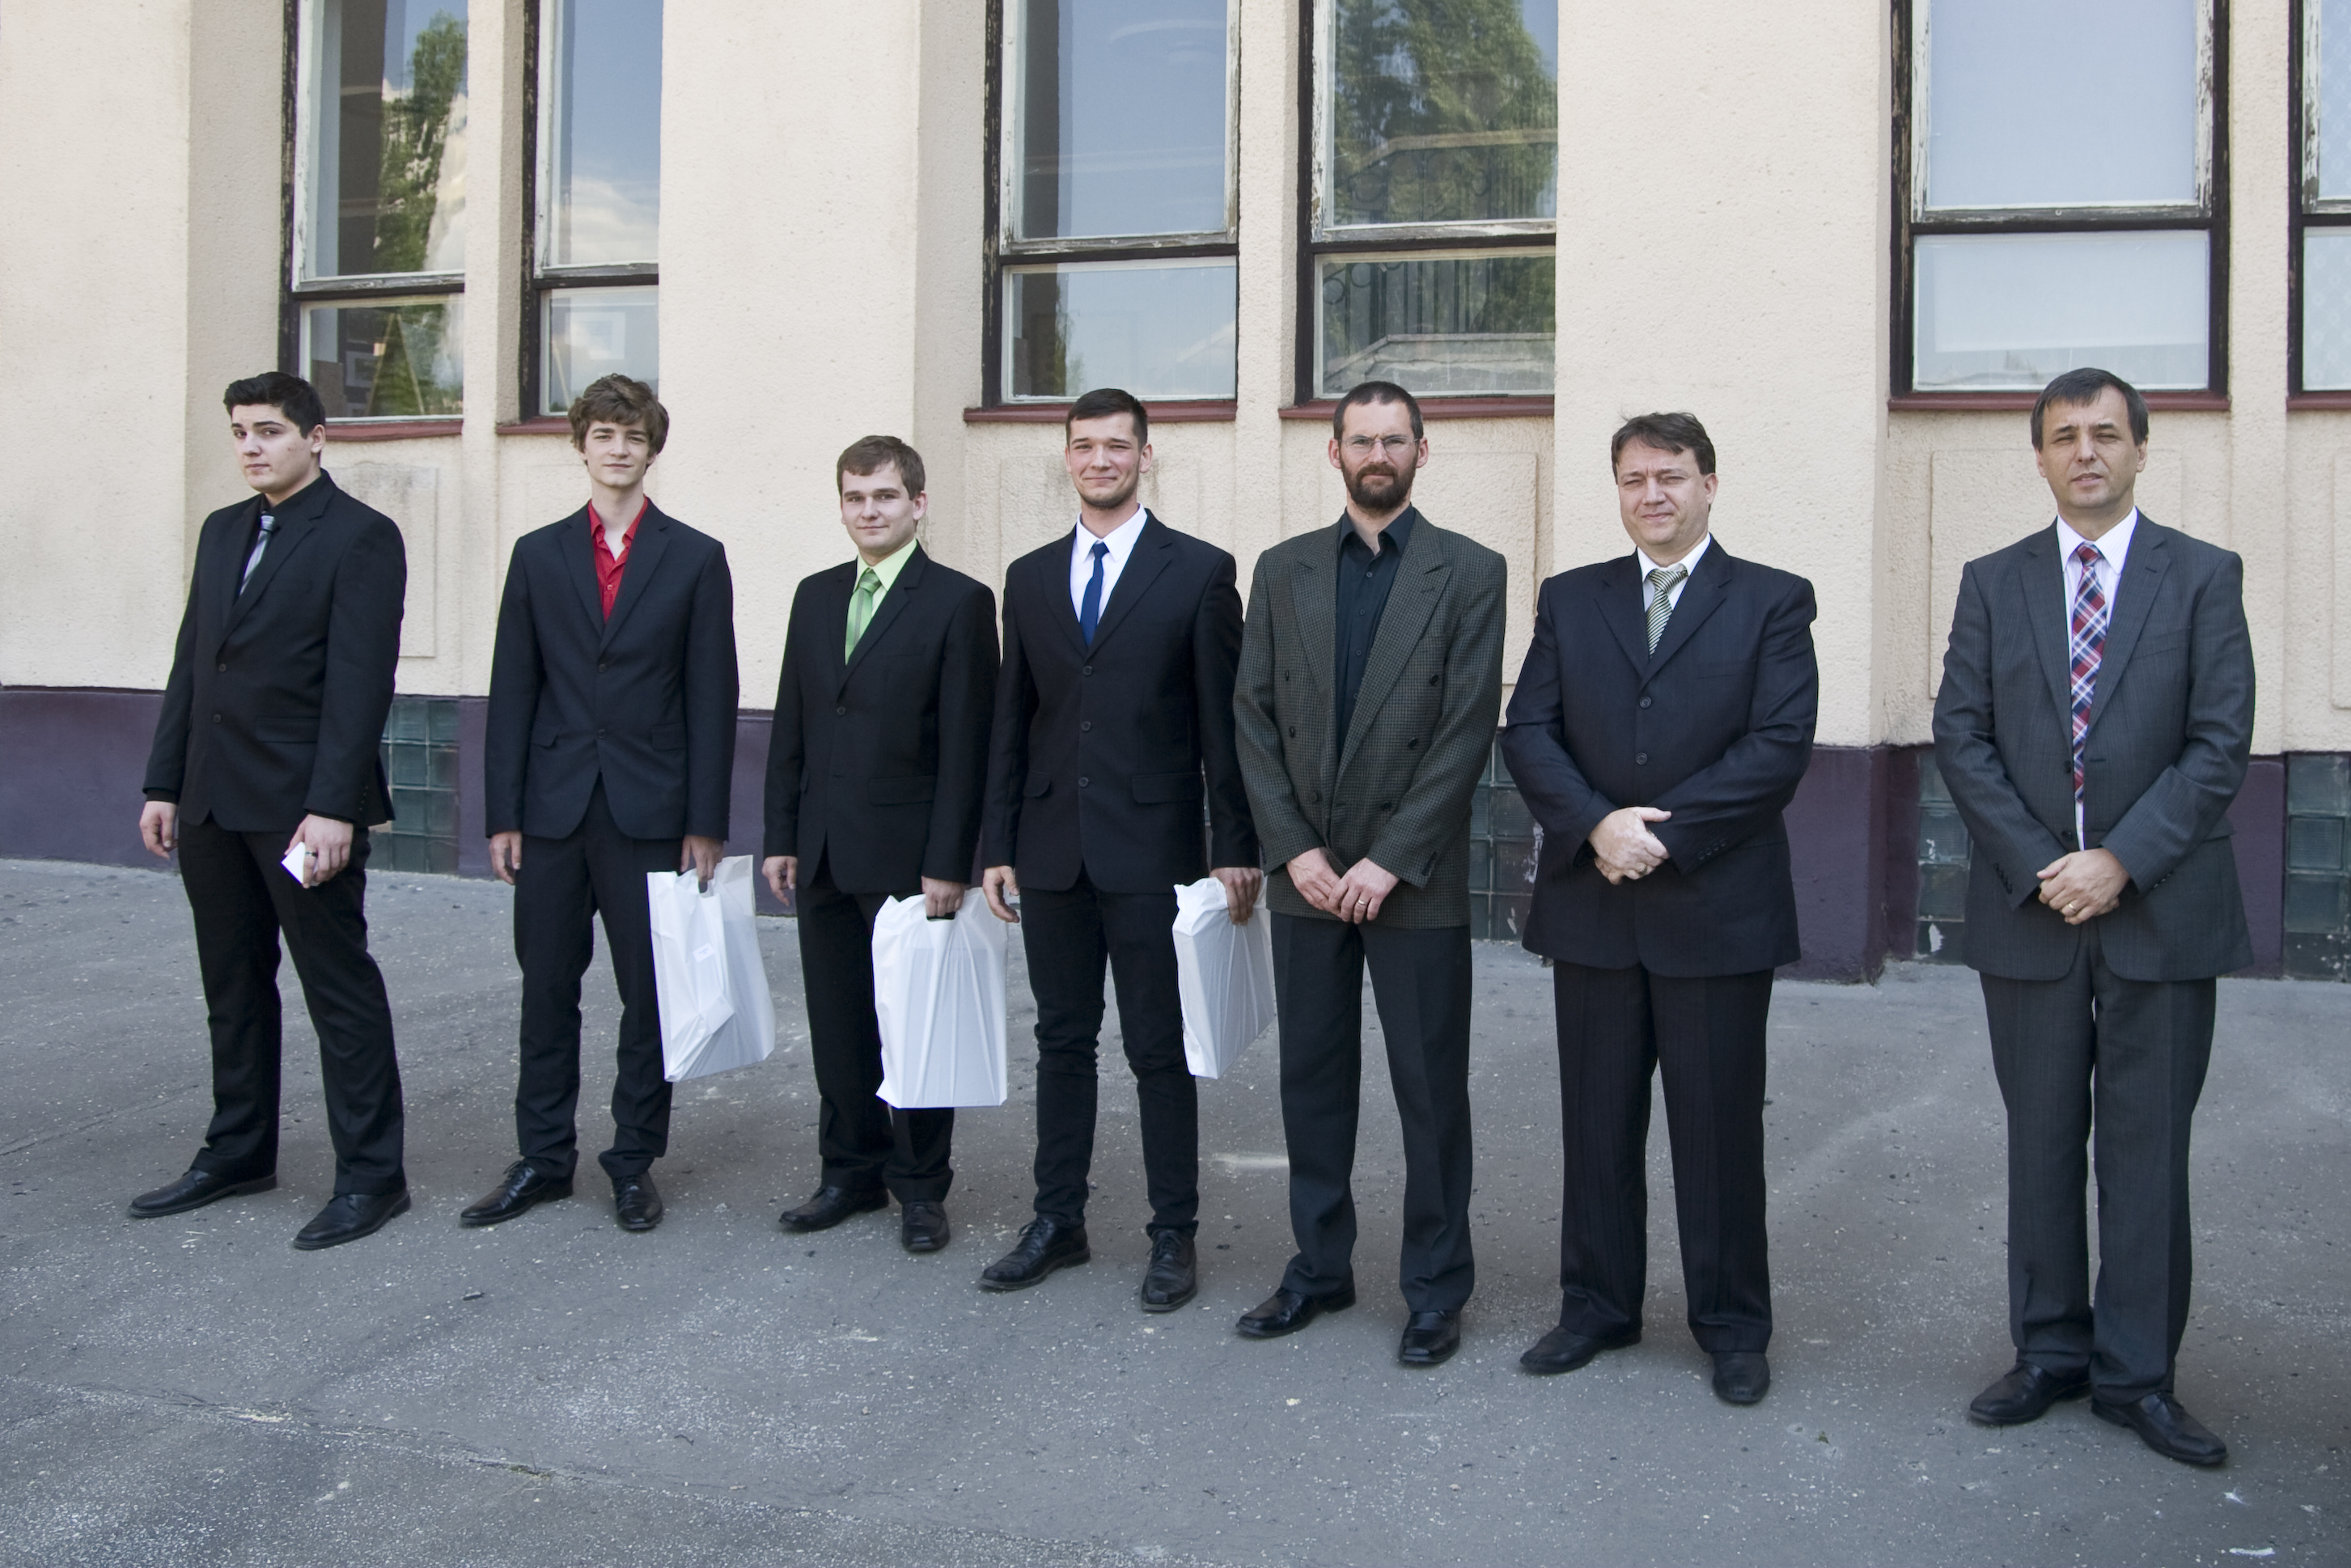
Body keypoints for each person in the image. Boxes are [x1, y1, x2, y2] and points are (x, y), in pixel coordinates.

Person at [1933, 368, 2254, 1468]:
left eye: (2105, 433)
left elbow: (2218, 740)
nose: (2084, 451)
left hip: (2160, 908)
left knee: (2145, 1149)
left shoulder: (2202, 576)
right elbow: (1961, 734)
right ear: (2037, 456)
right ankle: (2048, 1351)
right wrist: (2044, 866)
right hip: (2031, 912)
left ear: (2139, 449)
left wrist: (2120, 860)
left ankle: (2136, 1375)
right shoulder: (1991, 581)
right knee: (2037, 1143)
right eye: (2064, 435)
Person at [1499, 411, 1817, 1406]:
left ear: (1707, 485)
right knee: (1596, 1125)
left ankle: (1731, 1326)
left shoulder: (1770, 600)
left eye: (1670, 476)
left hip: (1713, 908)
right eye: (1634, 478)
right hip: (1592, 905)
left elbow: (1777, 746)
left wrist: (1662, 837)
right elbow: (1528, 730)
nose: (1652, 495)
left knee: (1716, 1132)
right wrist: (1595, 825)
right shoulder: (1571, 598)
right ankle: (1596, 1306)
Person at [1229, 380, 1505, 1368]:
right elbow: (1252, 717)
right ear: (1333, 452)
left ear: (1422, 451)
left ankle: (1434, 1288)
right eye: (1360, 440)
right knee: (1310, 1079)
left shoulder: (1469, 571)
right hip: (1306, 873)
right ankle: (1318, 1267)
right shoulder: (1282, 569)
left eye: (1394, 440)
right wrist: (1294, 850)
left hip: (1411, 877)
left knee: (1428, 1090)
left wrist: (1388, 860)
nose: (1376, 455)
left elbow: (1465, 728)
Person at [977, 386, 1260, 1312]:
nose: (1099, 460)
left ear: (1145, 456)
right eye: (1084, 446)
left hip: (1152, 848)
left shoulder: (1200, 572)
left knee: (1155, 1048)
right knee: (1059, 1041)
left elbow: (1224, 725)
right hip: (1050, 848)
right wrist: (997, 841)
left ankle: (1172, 1233)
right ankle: (1056, 1220)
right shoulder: (1028, 577)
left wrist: (1234, 843)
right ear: (1067, 456)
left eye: (1116, 446)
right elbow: (1012, 720)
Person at [133, 371, 410, 1251]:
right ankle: (239, 1151)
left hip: (300, 812)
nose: (251, 447)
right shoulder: (223, 530)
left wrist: (333, 808)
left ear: (315, 438)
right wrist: (164, 783)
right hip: (212, 802)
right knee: (233, 985)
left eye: (269, 431)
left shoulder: (361, 537)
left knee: (337, 987)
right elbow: (195, 662)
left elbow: (360, 686)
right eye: (239, 433)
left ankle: (372, 1177)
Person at [469, 375, 738, 1235]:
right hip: (552, 808)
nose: (618, 449)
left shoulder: (694, 557)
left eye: (633, 436)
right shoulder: (537, 555)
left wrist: (705, 823)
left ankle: (631, 1161)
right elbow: (514, 688)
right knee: (546, 989)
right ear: (580, 445)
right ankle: (543, 1159)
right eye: (604, 435)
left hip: (650, 809)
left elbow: (711, 696)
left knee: (648, 996)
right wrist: (503, 813)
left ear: (652, 448)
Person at [762, 436, 998, 1254]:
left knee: (915, 1026)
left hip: (908, 857)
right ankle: (849, 1173)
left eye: (886, 496)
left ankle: (921, 1187)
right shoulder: (815, 596)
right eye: (856, 498)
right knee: (838, 1025)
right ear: (842, 506)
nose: (870, 511)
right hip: (822, 850)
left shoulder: (958, 602)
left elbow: (967, 744)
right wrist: (781, 834)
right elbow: (793, 721)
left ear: (917, 504)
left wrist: (949, 861)